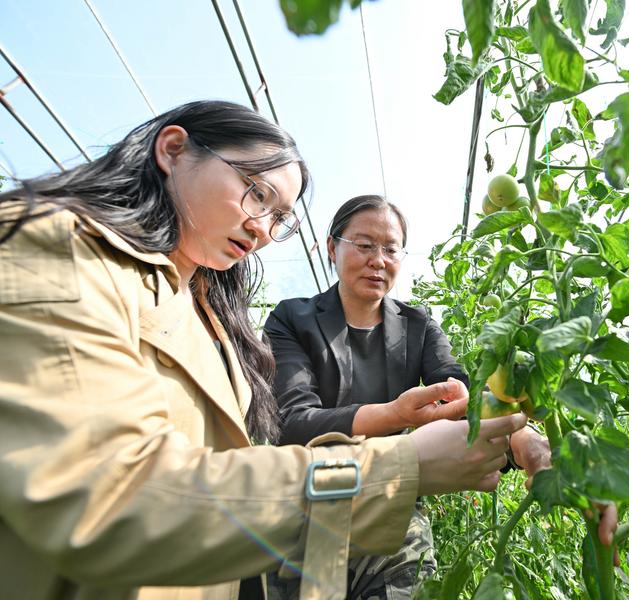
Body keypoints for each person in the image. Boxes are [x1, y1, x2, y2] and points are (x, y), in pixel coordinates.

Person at [0, 100, 527, 600]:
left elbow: (460, 388)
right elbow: (112, 491)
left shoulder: (212, 316)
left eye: (278, 218)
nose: (261, 228)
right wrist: (399, 458)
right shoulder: (63, 251)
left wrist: (520, 435)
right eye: (256, 192)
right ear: (173, 149)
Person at [264, 195, 558, 599]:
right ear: (332, 247)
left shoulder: (418, 326)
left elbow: (459, 397)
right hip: (309, 495)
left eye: (390, 249)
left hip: (391, 499)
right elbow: (290, 423)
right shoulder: (292, 319)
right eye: (364, 245)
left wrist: (519, 436)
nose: (378, 259)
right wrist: (392, 414)